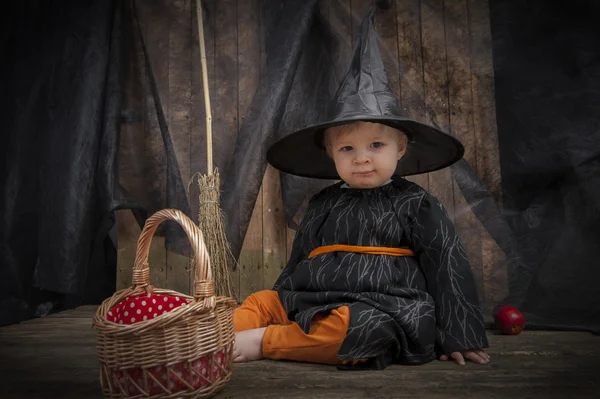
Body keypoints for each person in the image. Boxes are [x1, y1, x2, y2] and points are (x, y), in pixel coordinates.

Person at [231, 5, 489, 370]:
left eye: (376, 146)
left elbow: (447, 266)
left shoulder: (416, 204)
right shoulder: (322, 202)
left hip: (383, 305)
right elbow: (298, 260)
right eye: (347, 148)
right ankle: (208, 339)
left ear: (401, 148)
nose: (361, 158)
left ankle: (265, 342)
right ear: (330, 154)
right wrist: (282, 300)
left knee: (367, 331)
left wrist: (459, 335)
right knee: (260, 301)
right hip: (313, 298)